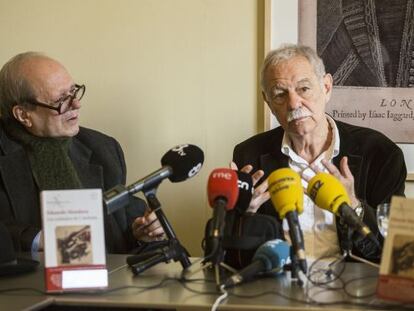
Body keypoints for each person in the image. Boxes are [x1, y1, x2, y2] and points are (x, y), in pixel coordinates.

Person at [232, 44, 407, 262]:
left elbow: (397, 254)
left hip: (354, 287)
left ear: (326, 87)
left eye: (304, 89)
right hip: (278, 287)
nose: (294, 103)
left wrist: (353, 206)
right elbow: (228, 256)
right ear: (268, 102)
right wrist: (242, 215)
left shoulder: (381, 153)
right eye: (280, 94)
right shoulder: (248, 155)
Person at [0, 52, 164, 255]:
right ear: (24, 114)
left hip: (105, 283)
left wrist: (141, 233)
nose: (76, 105)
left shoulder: (103, 148)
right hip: (21, 283)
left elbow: (123, 228)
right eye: (61, 100)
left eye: (74, 92)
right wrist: (41, 240)